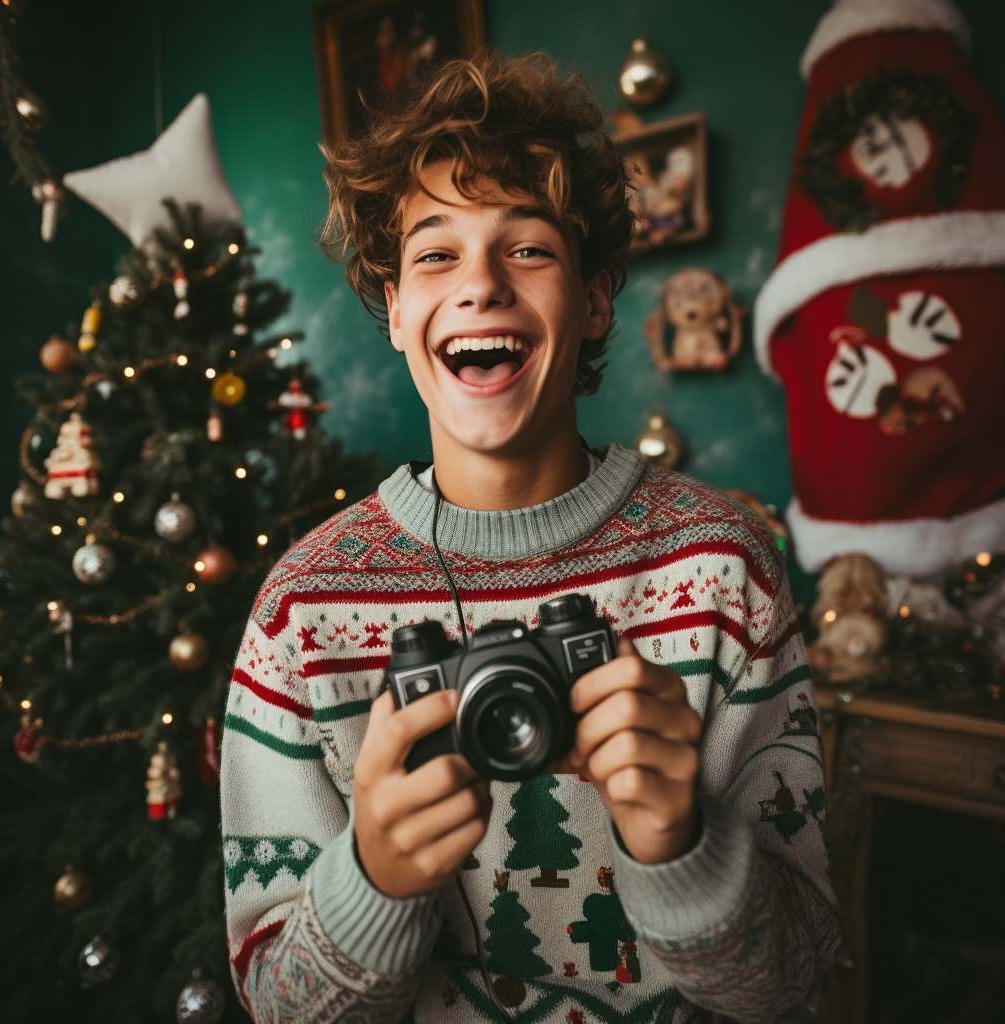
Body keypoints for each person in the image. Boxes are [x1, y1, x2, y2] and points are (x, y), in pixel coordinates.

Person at [220, 50, 839, 1024]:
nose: (480, 286)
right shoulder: (303, 611)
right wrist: (373, 877)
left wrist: (683, 846)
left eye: (529, 249)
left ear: (593, 300)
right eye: (434, 253)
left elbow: (792, 982)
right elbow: (277, 1006)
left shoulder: (724, 570)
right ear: (392, 312)